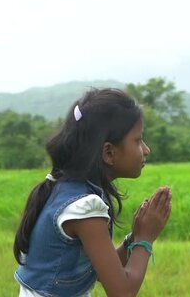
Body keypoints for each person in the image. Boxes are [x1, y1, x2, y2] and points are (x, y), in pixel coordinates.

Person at [13, 88, 172, 297]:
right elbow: (122, 292)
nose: (146, 149)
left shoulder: (67, 188)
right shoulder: (84, 208)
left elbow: (96, 271)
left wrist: (133, 238)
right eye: (137, 140)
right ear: (108, 152)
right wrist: (145, 238)